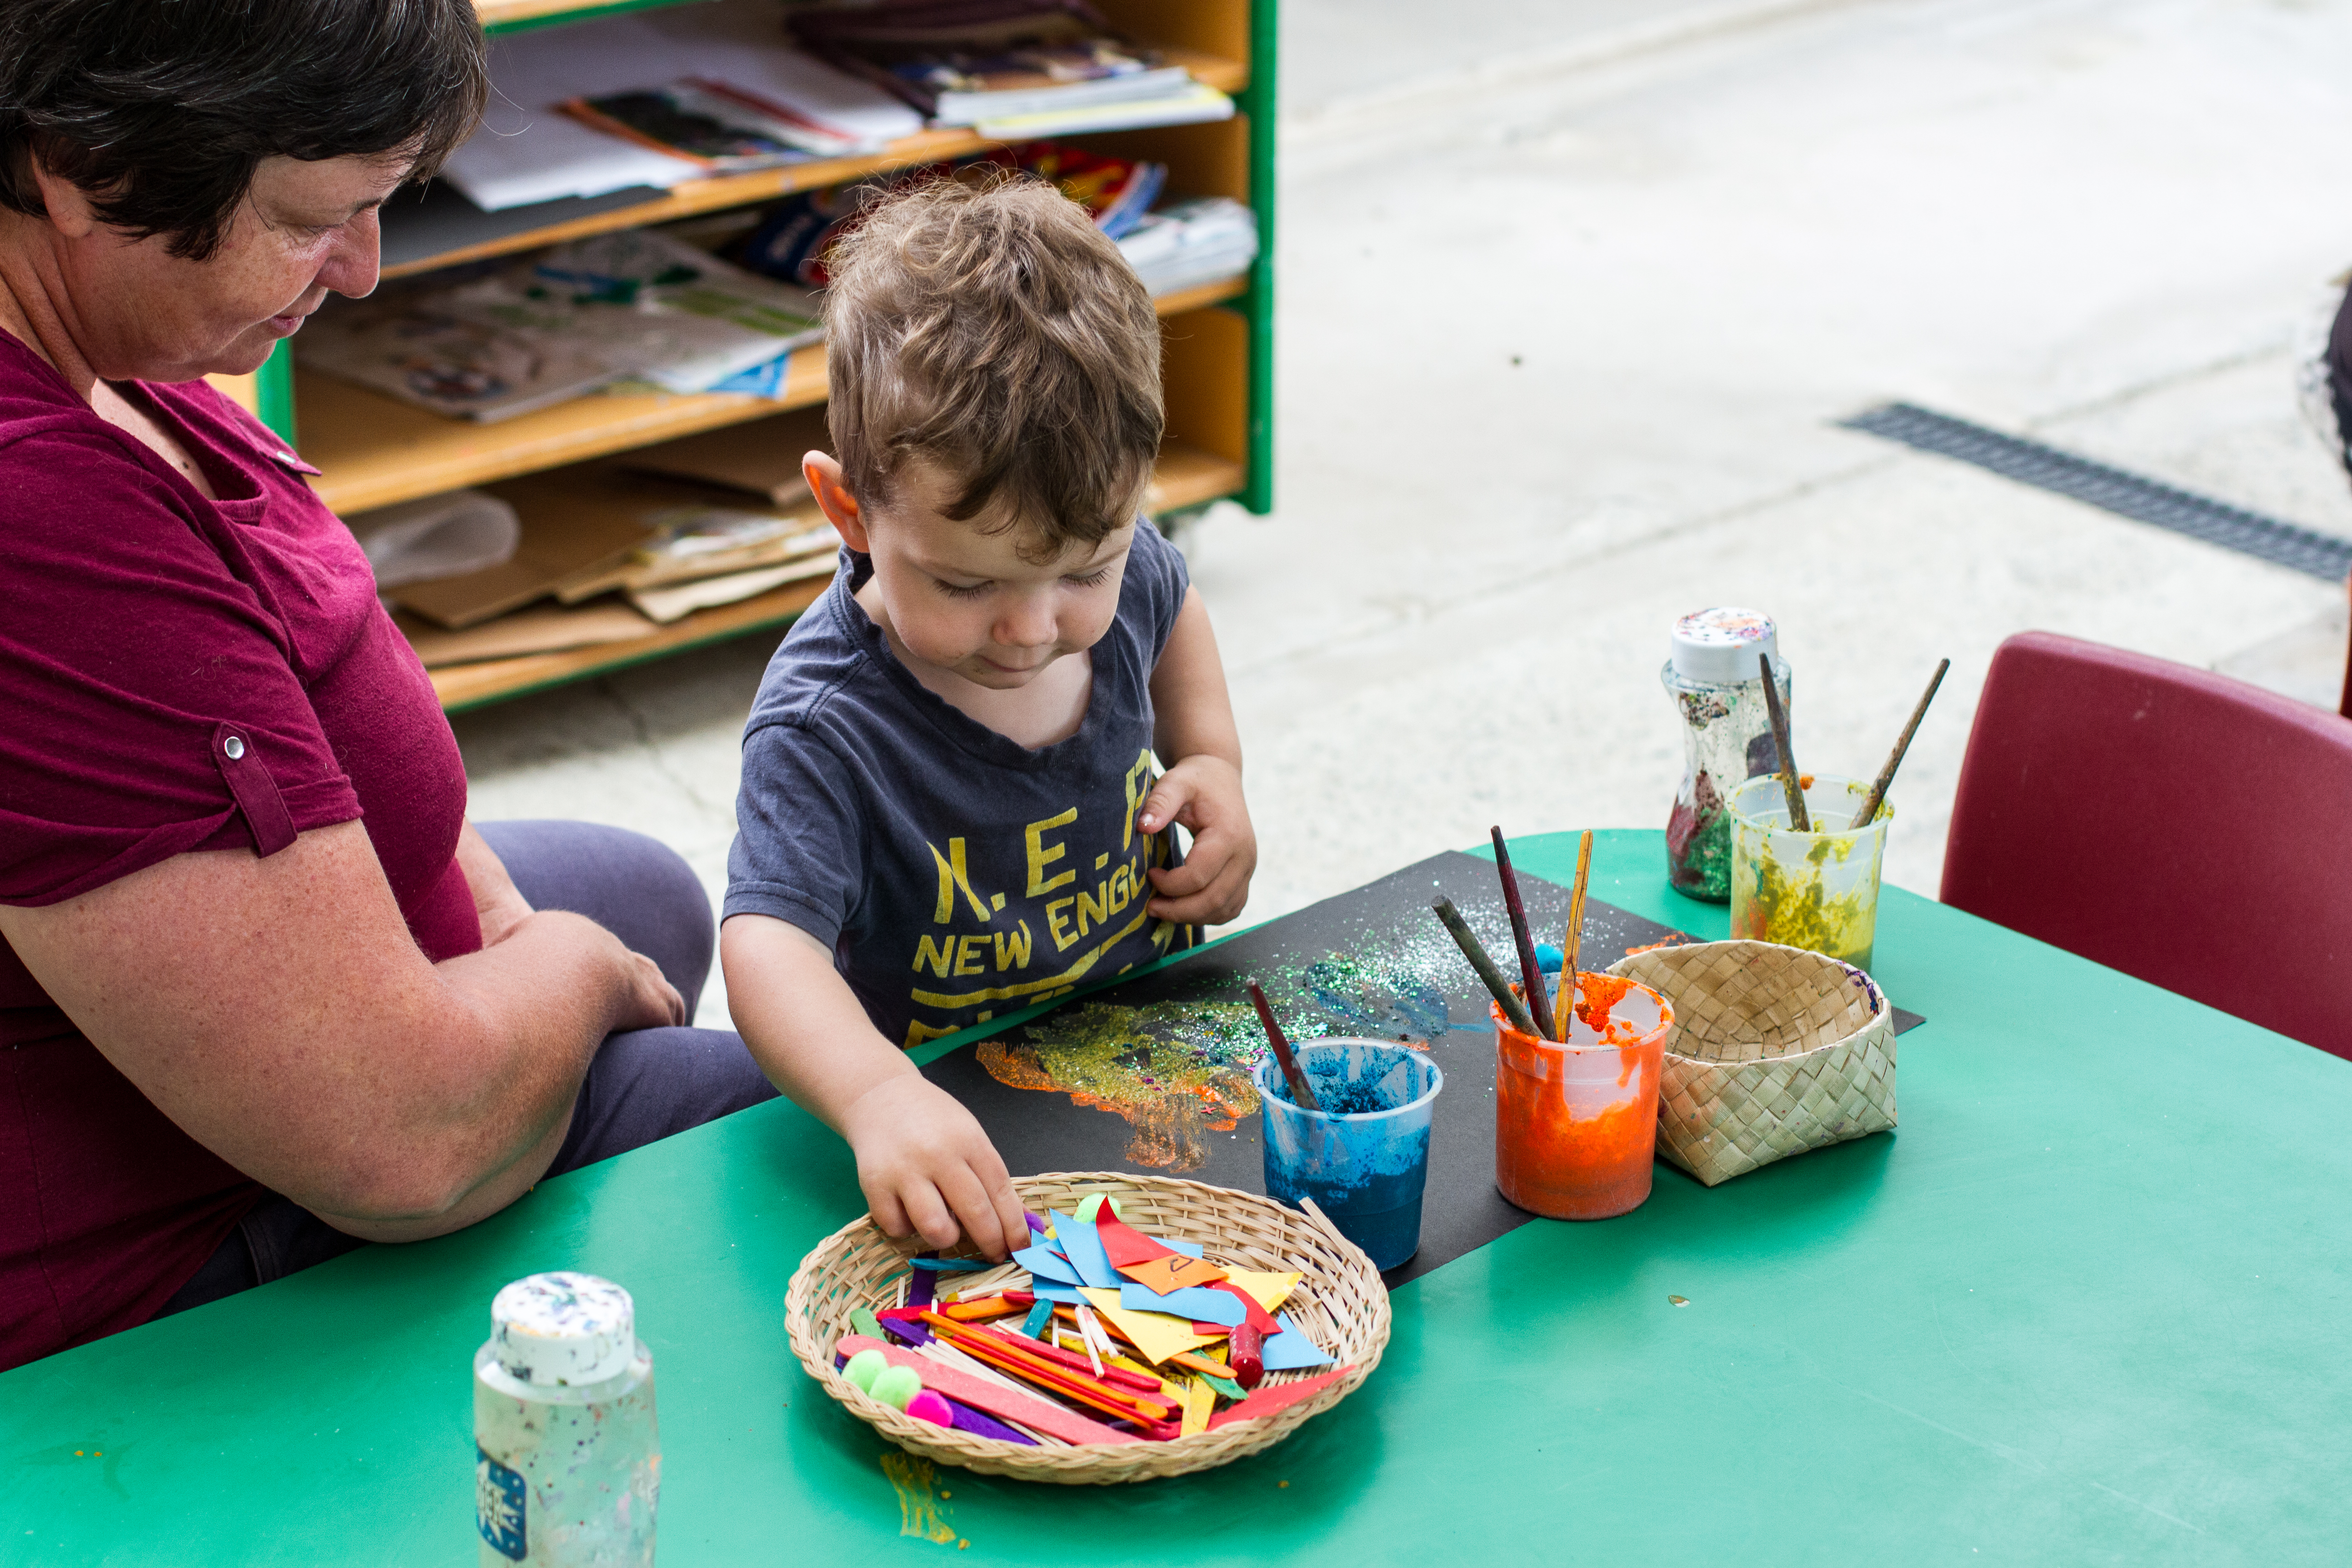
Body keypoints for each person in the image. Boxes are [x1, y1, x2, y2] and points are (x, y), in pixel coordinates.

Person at [0, 0, 774, 1372]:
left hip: (220, 1046)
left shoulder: (102, 340)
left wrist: (500, 931)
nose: (361, 271)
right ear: (79, 162)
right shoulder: (39, 524)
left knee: (645, 883)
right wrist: (571, 974)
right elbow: (403, 1149)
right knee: (773, 1108)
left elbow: (312, 698)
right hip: (146, 1253)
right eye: (314, 218)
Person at [720, 177, 1258, 1262]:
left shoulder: (1130, 567)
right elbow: (765, 947)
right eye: (965, 587)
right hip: (951, 1149)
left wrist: (1213, 758)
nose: (1030, 628)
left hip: (1140, 1090)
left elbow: (1170, 601)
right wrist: (878, 1097)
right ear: (850, 510)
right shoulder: (826, 728)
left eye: (1082, 571)